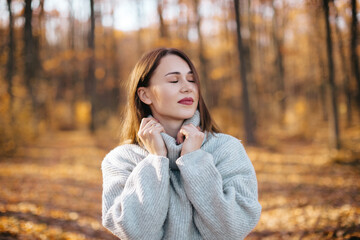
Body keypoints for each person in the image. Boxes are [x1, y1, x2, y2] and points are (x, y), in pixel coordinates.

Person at [101, 47, 261, 240]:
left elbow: (231, 230)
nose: (188, 87)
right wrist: (155, 160)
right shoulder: (121, 160)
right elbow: (138, 233)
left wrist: (194, 161)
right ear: (145, 95)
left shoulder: (226, 149)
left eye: (192, 79)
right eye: (174, 80)